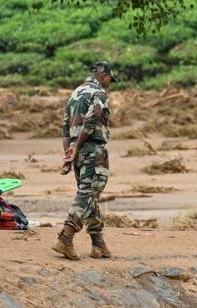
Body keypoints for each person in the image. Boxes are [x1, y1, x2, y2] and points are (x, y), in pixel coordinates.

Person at [53, 61, 116, 260]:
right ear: (103, 75)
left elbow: (65, 127)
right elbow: (92, 118)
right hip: (91, 150)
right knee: (87, 195)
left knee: (90, 196)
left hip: (77, 151)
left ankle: (98, 244)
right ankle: (66, 237)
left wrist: (69, 154)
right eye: (109, 79)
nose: (109, 83)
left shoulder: (75, 93)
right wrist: (78, 146)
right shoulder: (98, 92)